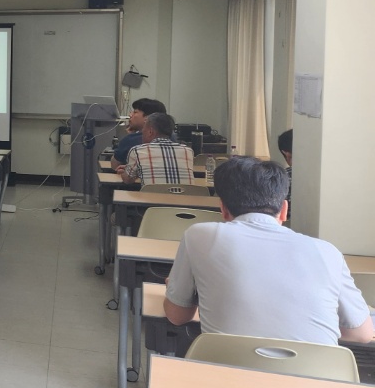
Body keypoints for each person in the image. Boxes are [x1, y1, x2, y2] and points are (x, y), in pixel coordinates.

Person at [163, 157, 373, 344]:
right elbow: (363, 334)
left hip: (228, 377)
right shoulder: (329, 253)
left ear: (223, 209)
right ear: (284, 210)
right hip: (316, 383)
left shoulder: (199, 236)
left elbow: (177, 315)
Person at [122, 112, 195, 186]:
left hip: (150, 197)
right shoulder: (187, 151)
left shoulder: (137, 151)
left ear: (150, 131)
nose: (142, 131)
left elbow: (127, 180)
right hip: (185, 197)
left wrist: (130, 170)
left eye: (144, 128)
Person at [112, 98, 166, 170]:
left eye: (135, 112)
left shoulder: (131, 139)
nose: (130, 115)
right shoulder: (172, 137)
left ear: (147, 118)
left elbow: (115, 165)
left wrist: (127, 138)